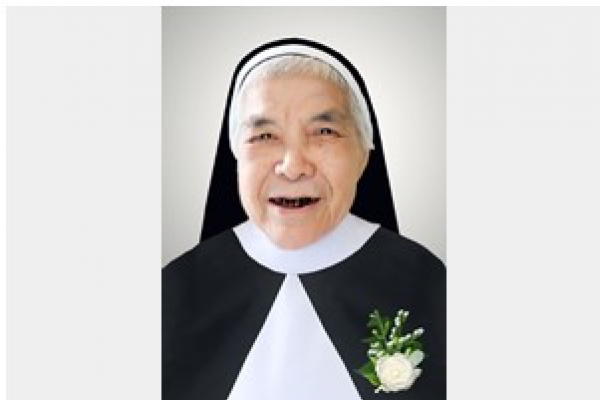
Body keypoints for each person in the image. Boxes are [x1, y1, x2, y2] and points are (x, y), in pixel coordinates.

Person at [163, 38, 446, 400]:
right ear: (235, 156)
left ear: (364, 154)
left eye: (324, 132)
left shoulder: (424, 280)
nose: (293, 166)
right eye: (264, 135)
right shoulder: (177, 289)